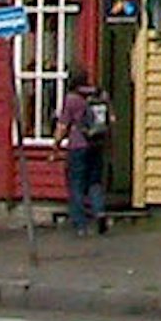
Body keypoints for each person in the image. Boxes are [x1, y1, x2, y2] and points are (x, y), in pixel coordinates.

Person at [56, 74, 112, 235]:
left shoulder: (72, 99)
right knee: (95, 182)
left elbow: (62, 126)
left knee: (76, 184)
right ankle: (99, 211)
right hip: (97, 145)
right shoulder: (99, 95)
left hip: (78, 146)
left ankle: (80, 224)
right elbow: (110, 121)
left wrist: (56, 146)